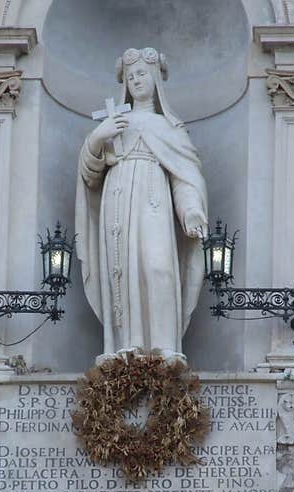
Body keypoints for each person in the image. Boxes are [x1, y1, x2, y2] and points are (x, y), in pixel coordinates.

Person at [75, 47, 208, 361]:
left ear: (156, 80)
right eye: (131, 75)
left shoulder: (169, 128)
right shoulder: (113, 122)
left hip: (154, 203)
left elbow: (184, 175)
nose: (136, 80)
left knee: (157, 267)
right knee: (122, 270)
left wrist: (191, 210)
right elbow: (89, 175)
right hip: (117, 202)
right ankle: (126, 347)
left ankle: (164, 348)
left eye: (142, 74)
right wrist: (97, 138)